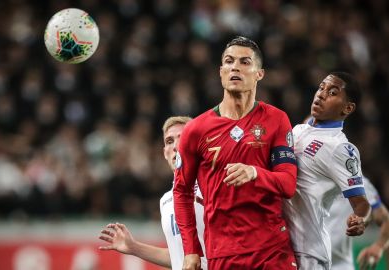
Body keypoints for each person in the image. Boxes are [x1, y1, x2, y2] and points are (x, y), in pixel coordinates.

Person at [173, 36, 298, 270]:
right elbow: (181, 191)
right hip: (223, 254)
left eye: (244, 62)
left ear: (259, 73)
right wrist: (191, 250)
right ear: (221, 72)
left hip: (272, 251)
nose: (235, 68)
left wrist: (254, 173)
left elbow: (288, 184)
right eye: (229, 62)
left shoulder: (276, 120)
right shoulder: (196, 130)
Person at [283, 71, 372, 269]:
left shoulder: (339, 148)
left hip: (308, 252)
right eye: (321, 87)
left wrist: (360, 220)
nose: (321, 94)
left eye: (332, 92)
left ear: (347, 108)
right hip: (279, 243)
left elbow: (361, 203)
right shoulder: (298, 130)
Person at [98, 116, 207, 270]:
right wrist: (134, 248)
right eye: (169, 141)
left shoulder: (214, 186)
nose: (176, 146)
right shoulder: (166, 200)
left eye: (182, 138)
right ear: (165, 153)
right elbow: (179, 257)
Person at [327, 176, 389, 270]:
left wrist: (379, 246)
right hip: (306, 262)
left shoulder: (359, 184)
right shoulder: (305, 178)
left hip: (340, 266)